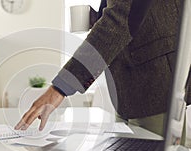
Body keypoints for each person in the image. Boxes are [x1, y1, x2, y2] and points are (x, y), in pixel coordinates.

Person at [15, 0, 186, 135]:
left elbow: (121, 19)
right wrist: (98, 17)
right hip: (131, 90)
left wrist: (60, 87)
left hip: (155, 85)